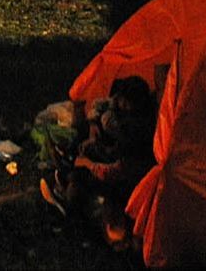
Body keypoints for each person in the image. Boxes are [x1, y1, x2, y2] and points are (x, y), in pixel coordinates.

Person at [40, 76, 156, 249]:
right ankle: (65, 168)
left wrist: (88, 164)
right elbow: (103, 105)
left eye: (125, 103)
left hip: (127, 184)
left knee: (83, 176)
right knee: (84, 148)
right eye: (122, 101)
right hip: (116, 157)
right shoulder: (121, 110)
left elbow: (118, 170)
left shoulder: (137, 132)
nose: (122, 105)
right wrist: (94, 127)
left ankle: (67, 203)